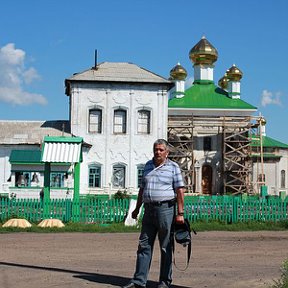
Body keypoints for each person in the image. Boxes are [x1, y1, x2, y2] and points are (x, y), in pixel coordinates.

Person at [123, 139, 185, 288]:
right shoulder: (148, 166)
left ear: (167, 152)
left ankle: (164, 282)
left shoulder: (173, 167)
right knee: (144, 245)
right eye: (156, 149)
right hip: (148, 210)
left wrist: (180, 213)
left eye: (161, 150)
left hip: (165, 210)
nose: (158, 152)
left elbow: (180, 190)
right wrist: (137, 209)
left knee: (165, 246)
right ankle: (139, 281)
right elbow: (142, 190)